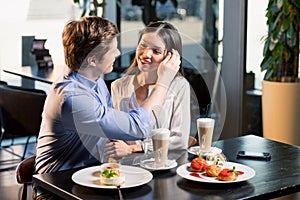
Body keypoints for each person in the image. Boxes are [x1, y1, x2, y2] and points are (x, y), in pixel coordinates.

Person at [34, 16, 180, 175]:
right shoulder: (73, 98)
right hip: (57, 183)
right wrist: (164, 82)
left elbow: (110, 132)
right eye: (113, 50)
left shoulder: (95, 80)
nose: (118, 53)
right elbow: (138, 127)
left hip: (89, 172)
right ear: (92, 60)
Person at [101, 21, 190, 160]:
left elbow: (180, 141)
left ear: (171, 57)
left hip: (163, 169)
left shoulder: (179, 86)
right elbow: (117, 134)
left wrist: (134, 149)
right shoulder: (118, 86)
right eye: (142, 46)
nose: (146, 54)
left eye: (156, 51)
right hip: (129, 170)